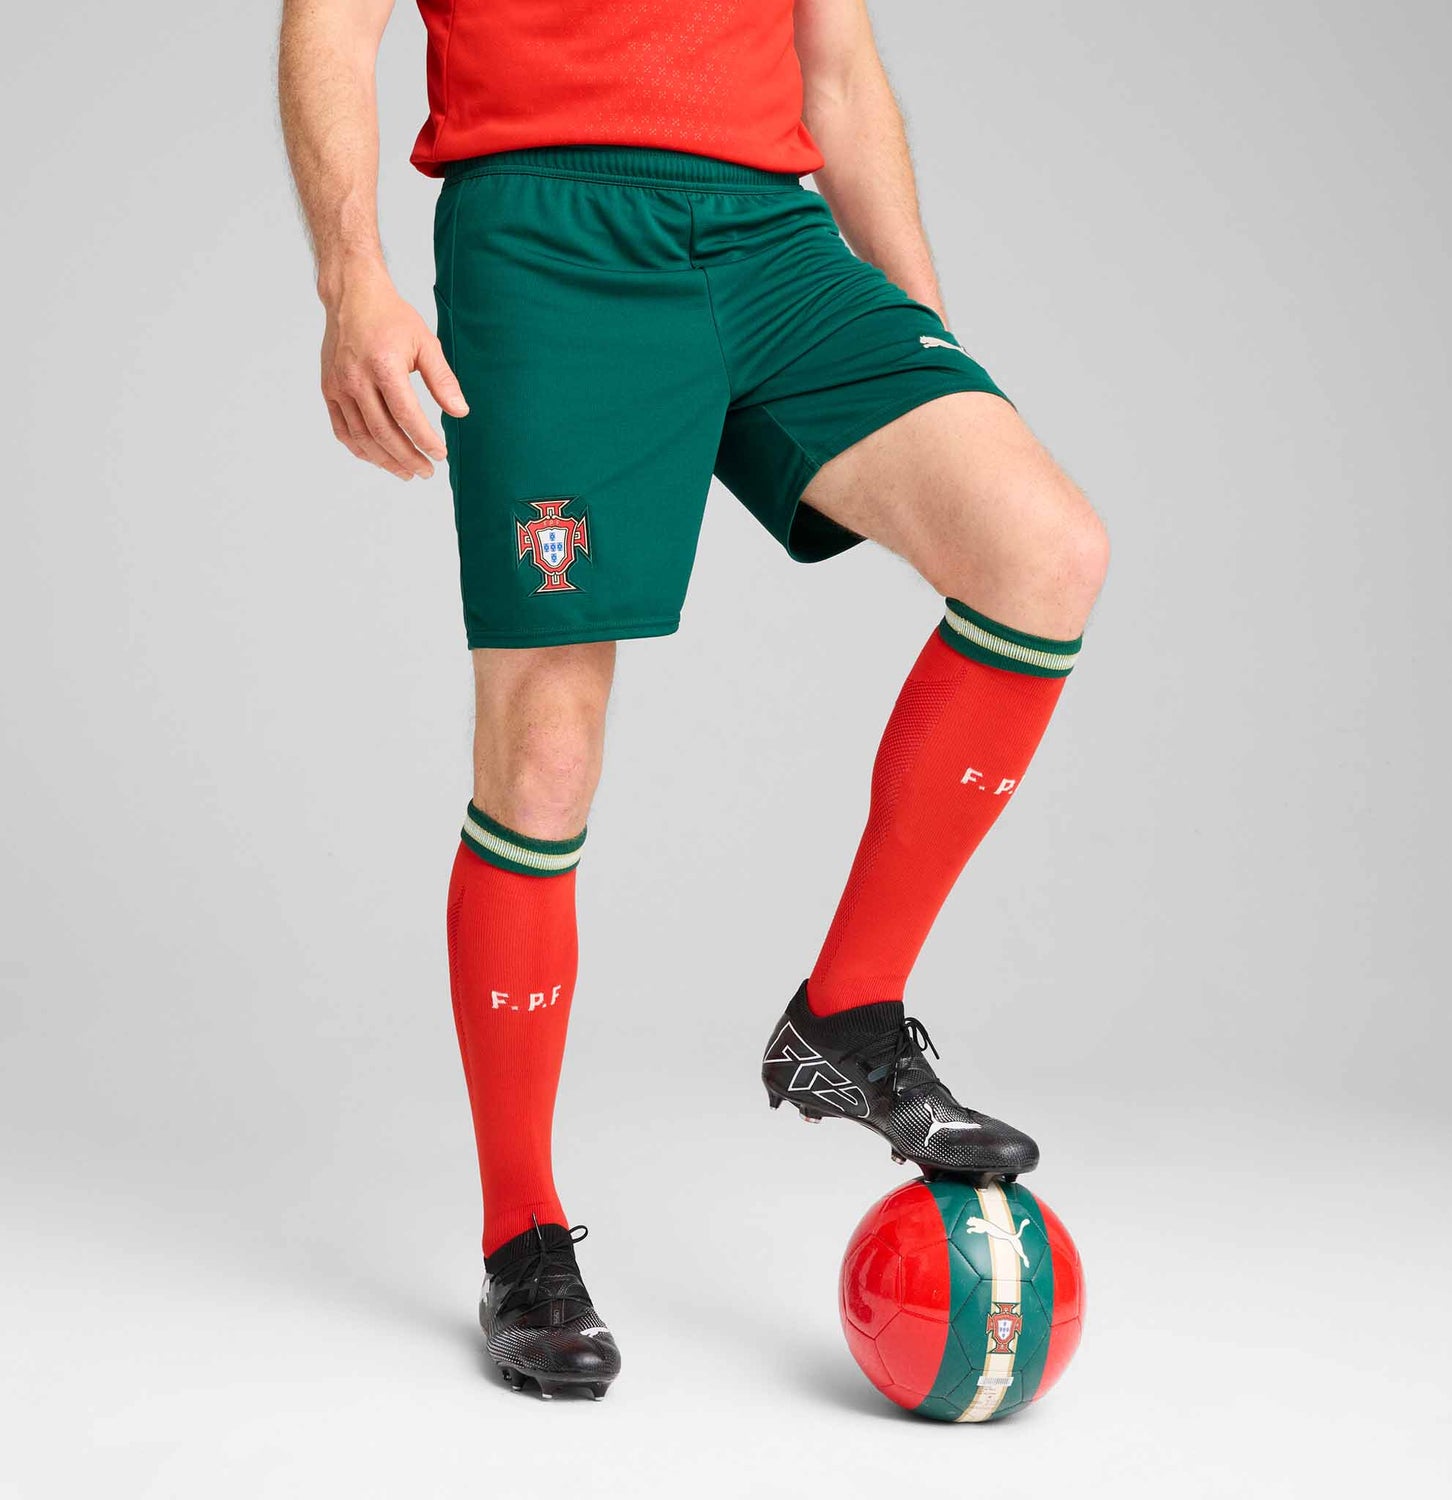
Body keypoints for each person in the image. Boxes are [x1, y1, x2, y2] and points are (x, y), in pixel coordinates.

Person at [278, 0, 1108, 1400]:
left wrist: (918, 328)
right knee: (545, 752)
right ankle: (522, 1235)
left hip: (770, 237)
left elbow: (837, 66)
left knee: (1044, 552)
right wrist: (351, 276)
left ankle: (848, 1014)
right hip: (550, 237)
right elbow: (333, 18)